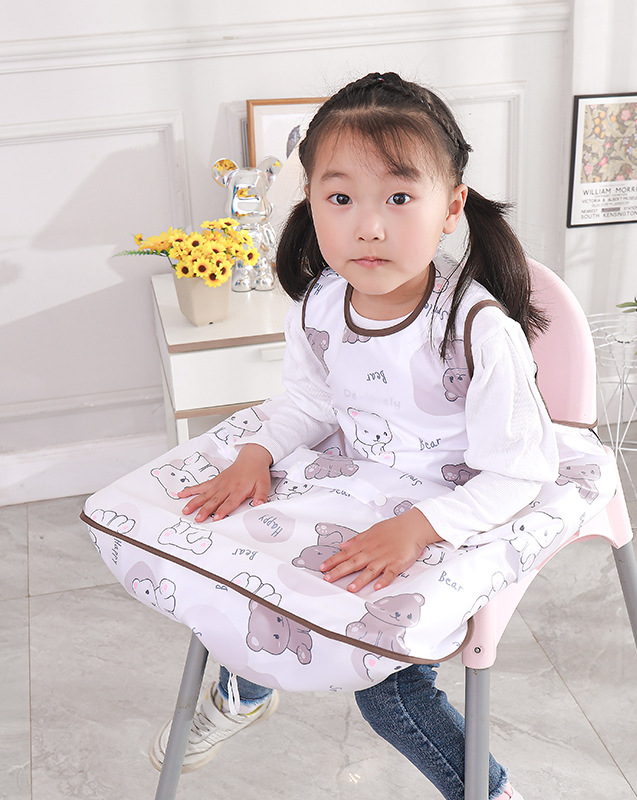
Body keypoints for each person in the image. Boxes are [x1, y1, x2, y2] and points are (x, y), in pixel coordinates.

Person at [150, 70, 568, 800]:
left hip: (453, 504)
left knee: (390, 694)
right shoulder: (319, 303)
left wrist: (420, 526)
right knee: (246, 569)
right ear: (310, 202)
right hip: (361, 482)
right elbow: (310, 403)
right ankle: (247, 688)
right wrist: (256, 453)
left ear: (451, 208)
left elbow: (519, 472)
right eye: (340, 199)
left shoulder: (477, 331)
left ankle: (491, 793)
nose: (368, 226)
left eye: (399, 198)